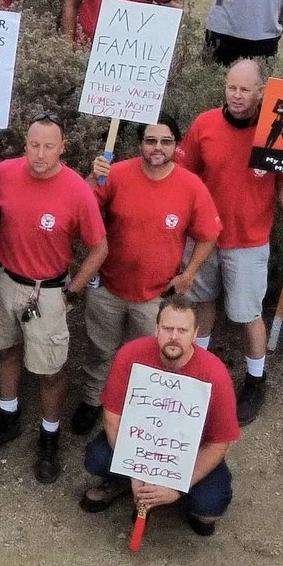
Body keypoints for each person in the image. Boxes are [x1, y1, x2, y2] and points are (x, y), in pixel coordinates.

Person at [0, 114, 107, 483]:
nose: (40, 154)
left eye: (49, 146)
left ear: (62, 148)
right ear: (25, 144)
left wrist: (72, 291)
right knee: (5, 350)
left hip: (49, 290)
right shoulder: (7, 172)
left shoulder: (76, 190)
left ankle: (49, 437)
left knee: (51, 371)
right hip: (4, 278)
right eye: (34, 144)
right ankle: (8, 417)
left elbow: (99, 248)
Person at [175, 61, 283, 424]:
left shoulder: (275, 132)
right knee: (200, 303)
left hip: (249, 241)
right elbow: (184, 178)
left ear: (261, 91)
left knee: (247, 314)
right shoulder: (204, 125)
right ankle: (196, 369)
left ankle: (256, 379)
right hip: (203, 237)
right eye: (231, 88)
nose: (237, 96)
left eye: (245, 89)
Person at [76, 118, 220, 435]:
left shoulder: (191, 186)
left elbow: (210, 234)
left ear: (177, 146)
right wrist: (93, 176)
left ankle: (135, 411)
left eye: (166, 141)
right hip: (108, 287)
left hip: (155, 295)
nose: (157, 148)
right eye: (151, 140)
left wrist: (189, 273)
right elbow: (83, 206)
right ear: (140, 143)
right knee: (101, 349)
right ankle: (92, 400)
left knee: (145, 358)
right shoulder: (117, 173)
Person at [78, 298, 241, 538]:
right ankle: (124, 484)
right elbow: (112, 417)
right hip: (139, 442)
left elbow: (220, 443)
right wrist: (134, 469)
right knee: (97, 458)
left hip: (191, 451)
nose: (174, 336)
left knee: (209, 509)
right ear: (156, 329)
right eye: (167, 328)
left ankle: (172, 497)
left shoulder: (215, 373)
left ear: (195, 334)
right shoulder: (130, 355)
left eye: (182, 330)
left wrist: (177, 486)